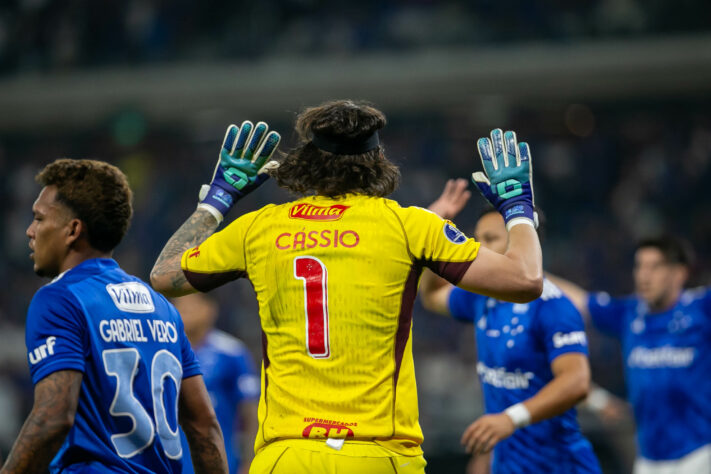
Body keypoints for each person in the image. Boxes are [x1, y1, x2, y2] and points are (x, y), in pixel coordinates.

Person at [150, 100, 543, 474]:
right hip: (378, 454)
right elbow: (525, 280)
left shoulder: (261, 228)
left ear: (307, 161)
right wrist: (517, 207)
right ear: (377, 162)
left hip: (285, 457)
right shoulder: (409, 225)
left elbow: (164, 275)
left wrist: (217, 198)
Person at [0, 159, 228, 474]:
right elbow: (204, 425)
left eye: (39, 218)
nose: (30, 230)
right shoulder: (161, 307)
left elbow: (53, 418)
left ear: (73, 230)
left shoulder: (60, 299)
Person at [421, 181, 601, 474]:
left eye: (490, 239)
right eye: (476, 239)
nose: (478, 248)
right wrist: (434, 229)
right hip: (508, 464)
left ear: (521, 245)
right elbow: (431, 296)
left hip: (559, 465)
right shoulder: (481, 296)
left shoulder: (553, 306)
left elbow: (577, 382)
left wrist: (509, 419)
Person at [548, 236, 711, 474]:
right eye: (639, 266)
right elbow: (578, 301)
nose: (644, 275)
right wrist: (530, 271)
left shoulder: (701, 309)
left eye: (655, 267)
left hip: (699, 454)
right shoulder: (629, 313)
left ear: (679, 274)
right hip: (648, 459)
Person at [174, 293, 259, 474]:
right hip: (174, 463)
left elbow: (251, 413)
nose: (184, 311)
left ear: (210, 310)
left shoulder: (231, 352)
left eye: (191, 305)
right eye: (179, 305)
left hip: (224, 462)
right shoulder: (166, 351)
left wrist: (250, 461)